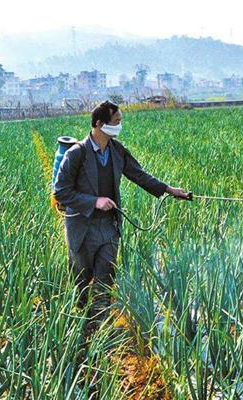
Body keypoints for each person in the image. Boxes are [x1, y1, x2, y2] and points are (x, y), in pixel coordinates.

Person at [54, 100, 191, 334]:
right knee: (82, 281)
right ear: (99, 124)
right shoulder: (77, 154)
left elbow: (139, 175)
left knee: (106, 278)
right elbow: (61, 192)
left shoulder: (117, 151)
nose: (119, 125)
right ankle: (81, 330)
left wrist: (169, 190)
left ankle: (99, 329)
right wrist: (94, 201)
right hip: (82, 228)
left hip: (109, 227)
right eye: (116, 121)